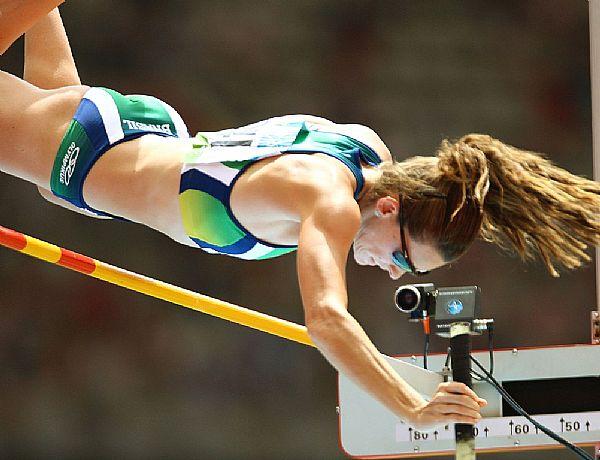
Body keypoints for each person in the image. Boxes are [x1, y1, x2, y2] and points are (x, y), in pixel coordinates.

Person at [2, 1, 599, 432]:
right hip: (89, 156)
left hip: (118, 136)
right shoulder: (331, 202)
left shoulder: (366, 151)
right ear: (388, 208)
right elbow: (326, 319)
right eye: (401, 257)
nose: (392, 274)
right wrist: (410, 405)